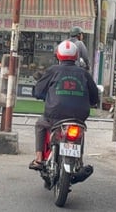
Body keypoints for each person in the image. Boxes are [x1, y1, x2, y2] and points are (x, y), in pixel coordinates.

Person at [29, 40, 99, 170]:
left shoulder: (53, 70)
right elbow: (95, 97)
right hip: (79, 117)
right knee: (80, 133)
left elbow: (38, 91)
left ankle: (39, 159)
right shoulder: (84, 73)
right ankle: (80, 161)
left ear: (58, 55)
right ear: (76, 56)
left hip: (55, 116)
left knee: (40, 124)